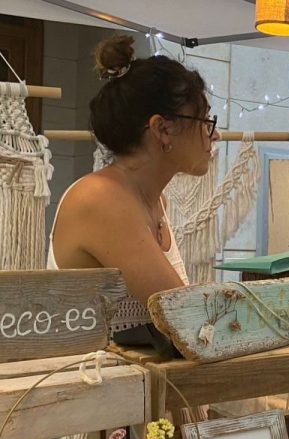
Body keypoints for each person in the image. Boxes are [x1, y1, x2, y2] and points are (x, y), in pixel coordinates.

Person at [48, 35, 219, 349]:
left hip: (133, 391)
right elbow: (187, 321)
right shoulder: (101, 198)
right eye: (205, 120)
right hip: (90, 392)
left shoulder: (155, 201)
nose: (215, 133)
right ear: (162, 129)